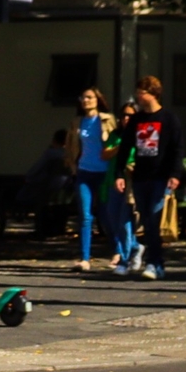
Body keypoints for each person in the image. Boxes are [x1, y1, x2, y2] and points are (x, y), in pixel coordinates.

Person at [114, 75, 181, 280]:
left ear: (152, 94)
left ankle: (153, 263)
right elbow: (125, 148)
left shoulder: (168, 119)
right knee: (145, 219)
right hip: (141, 177)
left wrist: (175, 174)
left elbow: (177, 148)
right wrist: (119, 173)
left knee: (154, 219)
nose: (138, 97)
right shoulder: (136, 120)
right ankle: (156, 262)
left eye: (141, 93)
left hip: (160, 177)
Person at [68, 86, 116, 273]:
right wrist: (73, 166)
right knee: (85, 216)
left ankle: (118, 252)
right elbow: (70, 146)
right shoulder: (77, 122)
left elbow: (116, 142)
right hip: (84, 172)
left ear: (98, 100)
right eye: (83, 97)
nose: (85, 100)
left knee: (106, 214)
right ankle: (84, 258)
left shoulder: (107, 120)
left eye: (89, 97)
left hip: (104, 173)